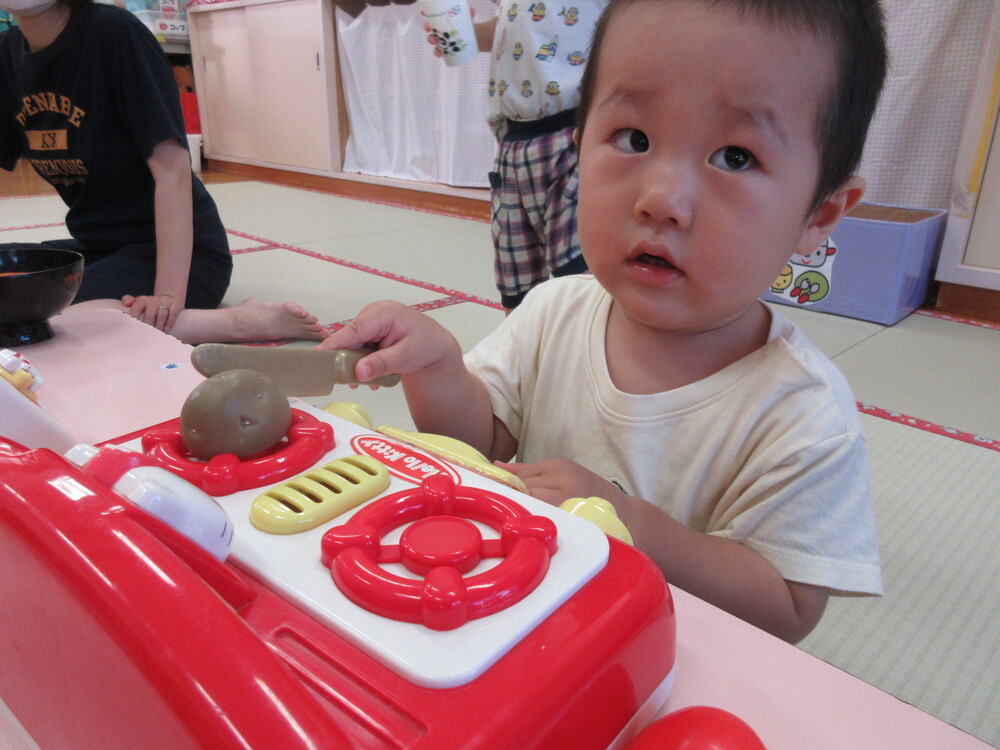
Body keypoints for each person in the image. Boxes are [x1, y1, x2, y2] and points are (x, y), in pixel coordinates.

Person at [327, 0, 888, 643]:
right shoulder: (554, 309)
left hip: (661, 657)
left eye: (735, 156)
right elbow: (482, 444)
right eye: (634, 139)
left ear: (819, 214)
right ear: (579, 146)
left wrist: (630, 524)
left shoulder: (804, 416)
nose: (662, 200)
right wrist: (438, 366)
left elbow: (785, 609)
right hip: (517, 626)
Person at [0, 0, 324, 344]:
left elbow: (173, 170)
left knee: (29, 314)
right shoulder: (7, 53)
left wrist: (168, 297)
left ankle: (238, 323)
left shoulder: (111, 31)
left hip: (184, 258)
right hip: (98, 247)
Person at [427, 1, 608, 311]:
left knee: (581, 274)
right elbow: (515, 27)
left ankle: (584, 352)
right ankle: (521, 355)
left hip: (575, 130)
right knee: (516, 283)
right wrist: (466, 34)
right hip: (512, 141)